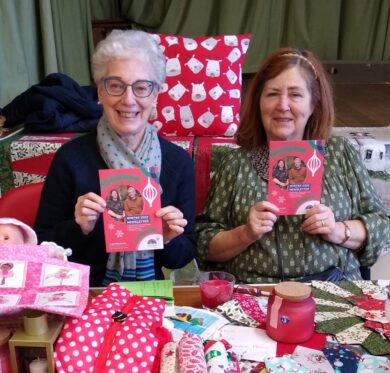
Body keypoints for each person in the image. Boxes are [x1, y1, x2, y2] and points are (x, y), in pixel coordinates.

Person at [197, 47, 389, 283]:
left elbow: (380, 226)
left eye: (295, 95)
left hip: (333, 289)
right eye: (272, 94)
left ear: (313, 104)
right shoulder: (236, 164)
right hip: (257, 296)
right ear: (259, 102)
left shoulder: (340, 154)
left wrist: (338, 230)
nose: (283, 105)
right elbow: (204, 244)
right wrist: (245, 233)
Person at [34, 30, 196, 286]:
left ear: (155, 96)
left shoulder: (178, 162)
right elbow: (42, 245)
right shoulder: (70, 159)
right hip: (87, 293)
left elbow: (185, 254)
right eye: (116, 85)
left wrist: (168, 238)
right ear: (100, 92)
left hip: (153, 294)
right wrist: (79, 229)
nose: (128, 99)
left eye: (142, 87)